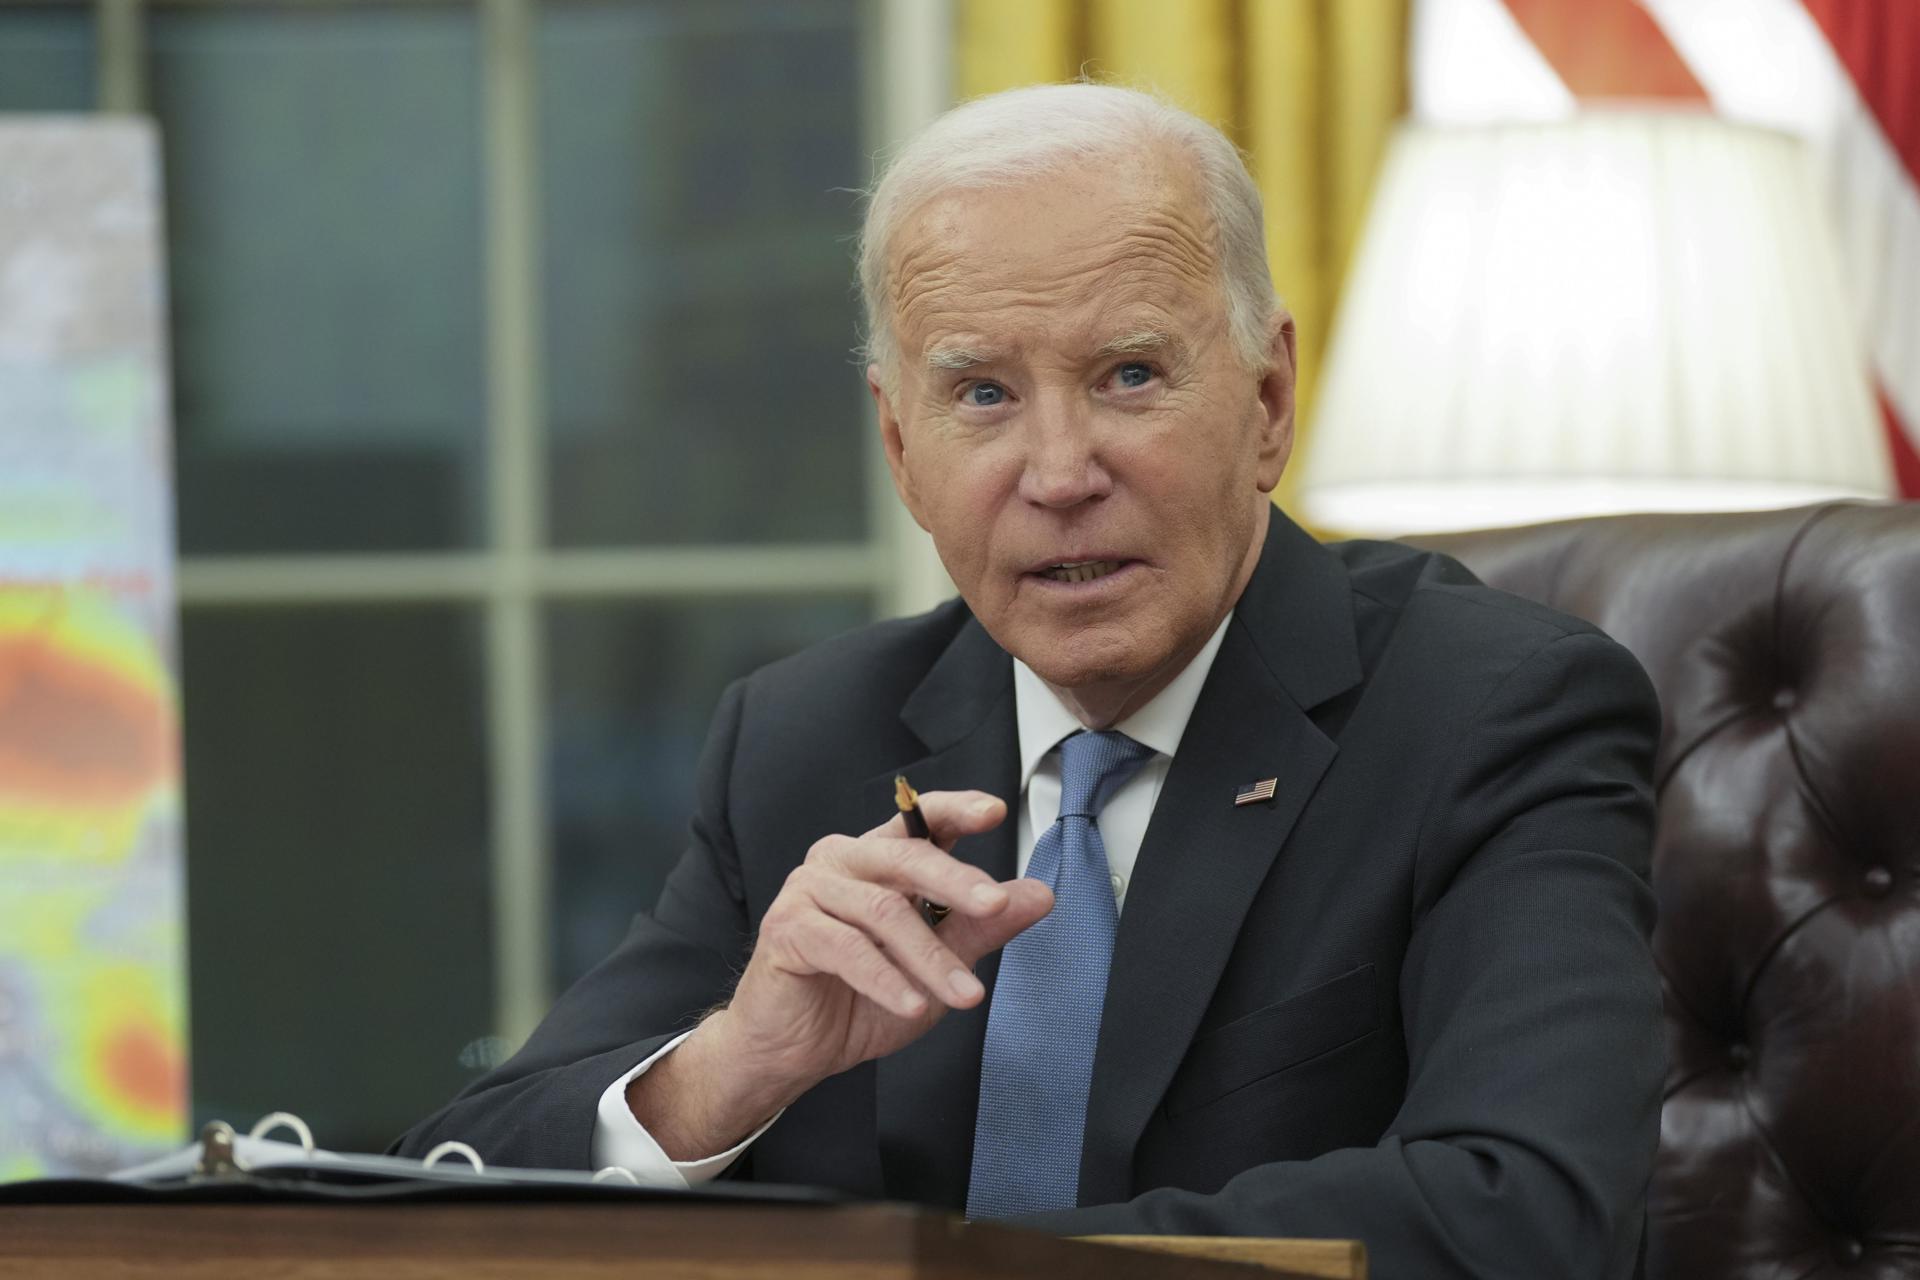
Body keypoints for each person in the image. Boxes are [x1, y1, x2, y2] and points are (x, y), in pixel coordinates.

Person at [395, 83, 1664, 1279]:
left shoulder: (1490, 711)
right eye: (984, 394)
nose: (1059, 472)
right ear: (902, 447)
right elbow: (446, 1185)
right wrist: (729, 1068)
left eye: (1129, 375)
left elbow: (1532, 1207)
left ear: (1268, 399)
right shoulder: (806, 737)